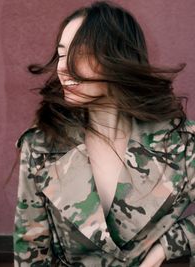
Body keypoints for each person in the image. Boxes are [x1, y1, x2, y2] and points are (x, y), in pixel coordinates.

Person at [13, 1, 195, 267]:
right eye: (62, 54)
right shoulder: (42, 143)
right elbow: (31, 250)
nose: (63, 68)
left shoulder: (180, 142)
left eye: (81, 54)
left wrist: (167, 246)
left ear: (118, 58)